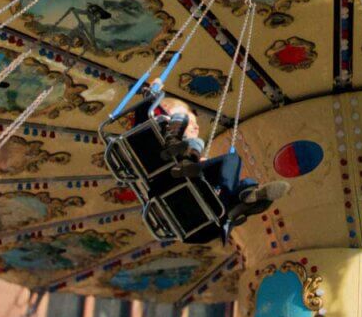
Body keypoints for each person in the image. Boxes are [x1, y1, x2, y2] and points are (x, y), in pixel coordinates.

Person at [123, 85, 287, 243]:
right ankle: (236, 202)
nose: (196, 127)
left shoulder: (144, 138)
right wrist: (152, 93)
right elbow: (147, 113)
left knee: (238, 170)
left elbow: (145, 111)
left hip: (182, 201)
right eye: (193, 125)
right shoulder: (150, 129)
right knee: (227, 158)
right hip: (197, 210)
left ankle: (242, 196)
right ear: (166, 112)